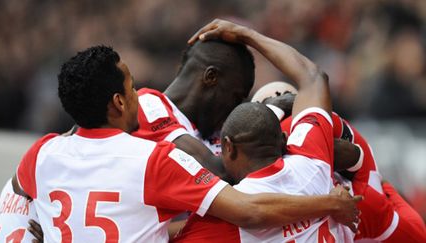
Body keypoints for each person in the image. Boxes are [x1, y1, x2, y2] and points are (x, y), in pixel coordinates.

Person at [10, 45, 360, 242]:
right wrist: (327, 204)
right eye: (132, 88)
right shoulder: (153, 159)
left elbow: (16, 193)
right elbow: (249, 211)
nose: (139, 93)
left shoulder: (42, 153)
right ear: (118, 102)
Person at [173, 18, 354, 242]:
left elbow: (156, 236)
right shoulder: (312, 159)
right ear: (283, 140)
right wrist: (248, 35)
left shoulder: (227, 219)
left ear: (228, 146)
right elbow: (313, 76)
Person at [256, 81, 426, 242]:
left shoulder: (291, 129)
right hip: (362, 190)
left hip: (357, 194)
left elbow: (346, 153)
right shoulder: (309, 122)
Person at [131, 37, 257, 181]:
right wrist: (272, 112)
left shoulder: (214, 129)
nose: (234, 109)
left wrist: (253, 36)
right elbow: (218, 173)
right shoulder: (147, 105)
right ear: (211, 77)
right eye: (236, 97)